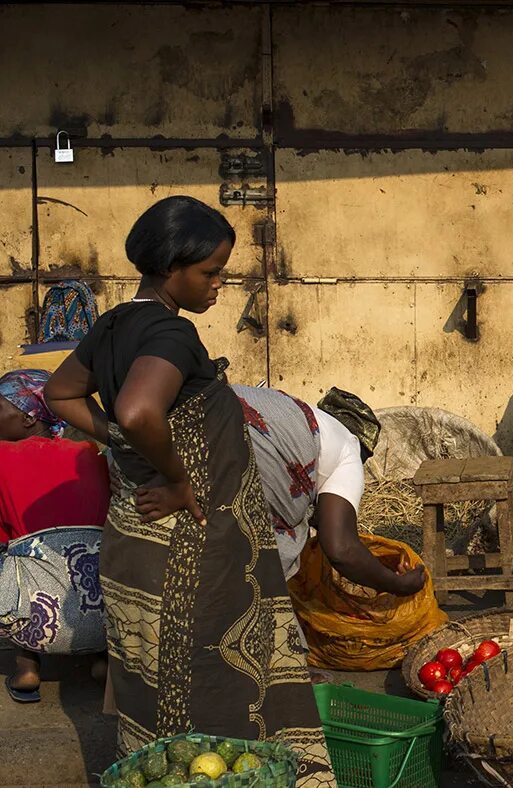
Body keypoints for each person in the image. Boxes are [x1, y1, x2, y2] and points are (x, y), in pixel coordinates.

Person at [44, 196, 336, 786]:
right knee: (208, 685)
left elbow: (61, 395)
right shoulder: (171, 333)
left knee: (153, 683)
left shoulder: (113, 325)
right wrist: (176, 477)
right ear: (170, 267)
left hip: (135, 543)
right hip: (189, 545)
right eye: (210, 272)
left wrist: (121, 445)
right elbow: (137, 409)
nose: (219, 284)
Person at [232, 383, 426, 595]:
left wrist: (374, 566)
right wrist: (396, 584)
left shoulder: (298, 413)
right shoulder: (348, 446)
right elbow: (342, 549)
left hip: (218, 402)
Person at [0, 369, 109, 704]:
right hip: (103, 621)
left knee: (16, 552)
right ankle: (101, 659)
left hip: (34, 626)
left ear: (29, 418)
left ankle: (26, 665)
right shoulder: (89, 455)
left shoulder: (3, 457)